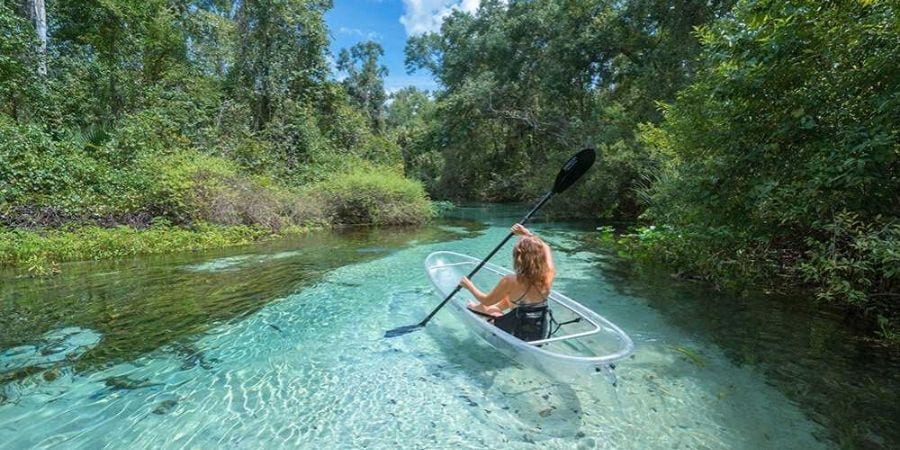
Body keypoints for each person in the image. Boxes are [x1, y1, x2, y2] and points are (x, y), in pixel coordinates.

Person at [458, 223, 555, 340]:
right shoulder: (548, 274)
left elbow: (487, 300)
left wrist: (469, 286)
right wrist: (527, 234)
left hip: (516, 332)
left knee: (493, 307)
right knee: (511, 297)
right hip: (539, 331)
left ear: (518, 258)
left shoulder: (511, 280)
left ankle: (483, 311)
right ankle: (485, 309)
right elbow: (546, 248)